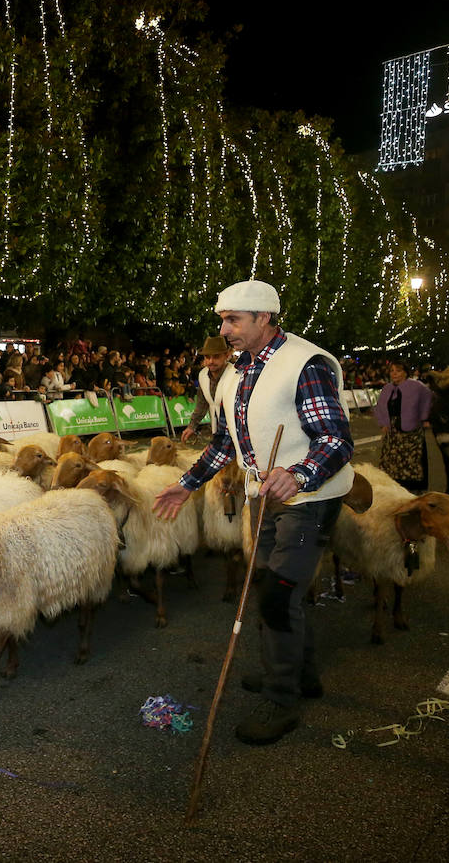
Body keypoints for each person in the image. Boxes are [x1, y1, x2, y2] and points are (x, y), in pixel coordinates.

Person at [153, 280, 353, 747]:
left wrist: (301, 473)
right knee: (271, 584)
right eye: (222, 320)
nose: (224, 331)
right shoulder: (238, 370)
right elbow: (226, 442)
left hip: (308, 500)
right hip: (265, 497)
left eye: (233, 320)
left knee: (279, 595)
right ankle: (302, 676)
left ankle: (283, 701)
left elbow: (335, 440)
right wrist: (186, 485)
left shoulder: (306, 365)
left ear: (264, 318)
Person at [375, 361, 431, 492]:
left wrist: (424, 417)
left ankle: (413, 487)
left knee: (412, 459)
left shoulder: (417, 387)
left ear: (405, 372)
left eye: (398, 371)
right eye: (392, 371)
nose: (394, 374)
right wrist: (383, 423)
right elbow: (380, 407)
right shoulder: (387, 388)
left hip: (411, 429)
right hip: (393, 430)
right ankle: (395, 485)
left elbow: (428, 399)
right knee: (392, 459)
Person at [182, 335, 233, 442]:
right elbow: (202, 404)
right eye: (207, 357)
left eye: (216, 356)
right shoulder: (203, 375)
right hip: (216, 431)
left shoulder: (235, 375)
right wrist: (192, 426)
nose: (211, 361)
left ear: (226, 355)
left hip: (236, 432)